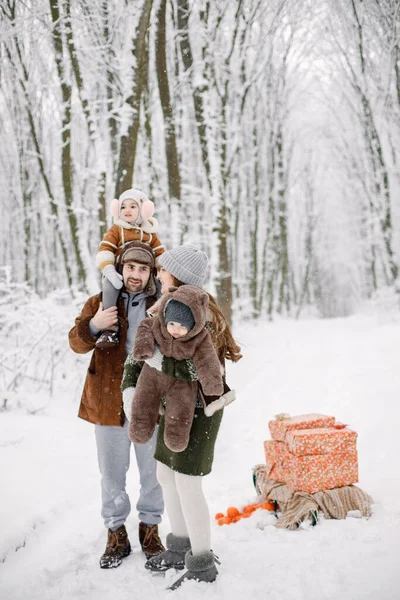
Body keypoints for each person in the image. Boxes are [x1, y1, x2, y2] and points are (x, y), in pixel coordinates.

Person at [121, 245, 242, 590]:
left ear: (178, 275)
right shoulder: (166, 306)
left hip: (201, 412)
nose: (157, 274)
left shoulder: (206, 314)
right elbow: (140, 353)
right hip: (171, 410)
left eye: (163, 270)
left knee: (188, 482)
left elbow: (207, 369)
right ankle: (180, 545)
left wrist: (160, 363)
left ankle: (202, 562)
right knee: (164, 473)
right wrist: (132, 384)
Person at [68, 241, 165, 570]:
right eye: (130, 267)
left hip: (149, 403)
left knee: (153, 473)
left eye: (143, 268)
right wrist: (94, 325)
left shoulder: (161, 304)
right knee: (111, 474)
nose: (135, 274)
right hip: (108, 401)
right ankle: (116, 535)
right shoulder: (100, 301)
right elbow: (76, 342)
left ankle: (150, 531)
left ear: (151, 273)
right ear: (120, 268)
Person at [129, 285, 224, 453]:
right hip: (152, 376)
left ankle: (177, 436)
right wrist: (143, 348)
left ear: (194, 324)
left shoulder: (200, 338)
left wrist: (212, 384)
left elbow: (207, 361)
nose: (176, 330)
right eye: (172, 323)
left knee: (180, 411)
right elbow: (145, 326)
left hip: (181, 383)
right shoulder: (157, 325)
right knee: (143, 401)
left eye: (182, 325)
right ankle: (140, 428)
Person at [95, 188, 165, 347]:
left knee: (161, 287)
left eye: (133, 206)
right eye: (123, 206)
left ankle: (161, 319)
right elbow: (105, 249)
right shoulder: (116, 230)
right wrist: (108, 269)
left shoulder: (149, 233)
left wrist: (163, 270)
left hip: (148, 278)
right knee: (109, 286)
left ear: (143, 210)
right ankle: (109, 328)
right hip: (117, 273)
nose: (127, 210)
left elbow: (160, 253)